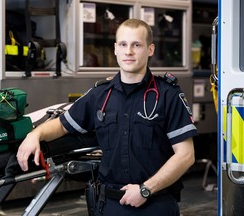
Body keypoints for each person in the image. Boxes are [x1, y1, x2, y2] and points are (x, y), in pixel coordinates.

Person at [17, 18, 197, 216]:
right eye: (123, 44)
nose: (128, 51)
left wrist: (146, 189)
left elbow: (186, 156)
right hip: (110, 205)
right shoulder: (100, 95)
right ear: (115, 49)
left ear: (150, 49)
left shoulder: (168, 95)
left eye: (136, 45)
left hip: (156, 204)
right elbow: (62, 125)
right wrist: (35, 135)